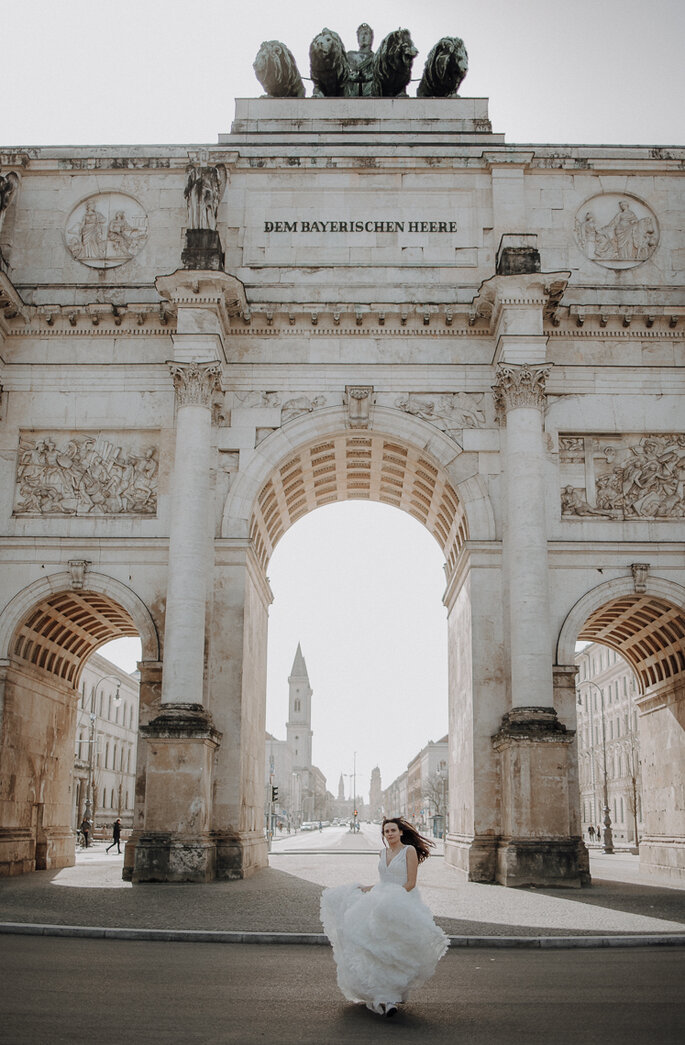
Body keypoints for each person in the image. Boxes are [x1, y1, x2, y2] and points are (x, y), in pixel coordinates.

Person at [320, 816, 448, 1018]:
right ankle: (385, 996)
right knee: (376, 950)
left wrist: (392, 899)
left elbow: (410, 883)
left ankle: (393, 992)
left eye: (393, 830)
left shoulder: (409, 851)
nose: (389, 834)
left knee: (395, 951)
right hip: (381, 900)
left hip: (402, 902)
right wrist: (366, 889)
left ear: (401, 832)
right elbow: (383, 881)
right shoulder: (382, 852)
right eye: (386, 831)